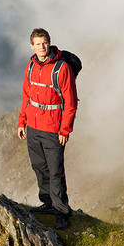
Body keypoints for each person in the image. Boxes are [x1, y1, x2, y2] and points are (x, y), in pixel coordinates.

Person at [17, 28, 78, 230]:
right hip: (33, 127)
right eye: (37, 44)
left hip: (53, 129)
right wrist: (21, 122)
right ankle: (48, 203)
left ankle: (61, 212)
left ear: (49, 43)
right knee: (39, 167)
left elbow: (70, 102)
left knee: (55, 172)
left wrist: (65, 130)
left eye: (44, 43)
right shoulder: (30, 67)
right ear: (32, 46)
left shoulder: (62, 69)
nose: (41, 47)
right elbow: (27, 96)